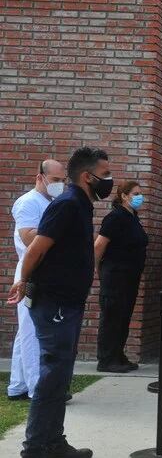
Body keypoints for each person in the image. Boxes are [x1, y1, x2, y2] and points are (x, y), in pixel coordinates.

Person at [8, 147, 113, 458]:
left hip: (67, 302)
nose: (109, 180)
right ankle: (36, 447)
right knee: (53, 373)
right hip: (53, 302)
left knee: (60, 375)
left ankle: (53, 442)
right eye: (105, 174)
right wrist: (23, 281)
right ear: (86, 176)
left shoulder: (80, 204)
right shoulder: (67, 205)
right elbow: (36, 249)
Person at [8, 160, 65, 402]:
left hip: (42, 270)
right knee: (32, 330)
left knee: (26, 331)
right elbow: (29, 237)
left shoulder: (49, 202)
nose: (59, 185)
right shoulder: (28, 202)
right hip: (31, 272)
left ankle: (17, 385)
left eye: (63, 181)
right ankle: (36, 389)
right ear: (40, 177)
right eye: (55, 180)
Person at [93, 181, 148, 373]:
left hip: (130, 278)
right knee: (112, 318)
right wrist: (97, 270)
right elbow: (99, 246)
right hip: (115, 276)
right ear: (124, 196)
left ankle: (118, 355)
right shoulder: (115, 217)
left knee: (123, 318)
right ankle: (107, 360)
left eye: (140, 193)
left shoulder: (132, 217)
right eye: (136, 193)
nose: (139, 197)